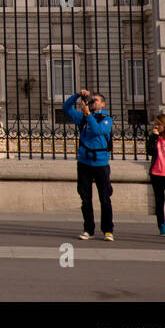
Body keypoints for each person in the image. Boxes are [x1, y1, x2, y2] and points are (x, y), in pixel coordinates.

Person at [62, 88, 114, 242]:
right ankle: (88, 229)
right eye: (91, 100)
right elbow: (66, 107)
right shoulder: (83, 118)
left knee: (104, 198)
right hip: (84, 162)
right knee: (85, 198)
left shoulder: (106, 118)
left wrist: (88, 114)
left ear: (103, 104)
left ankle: (108, 230)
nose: (93, 102)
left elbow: (98, 130)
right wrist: (77, 95)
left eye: (96, 100)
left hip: (101, 163)